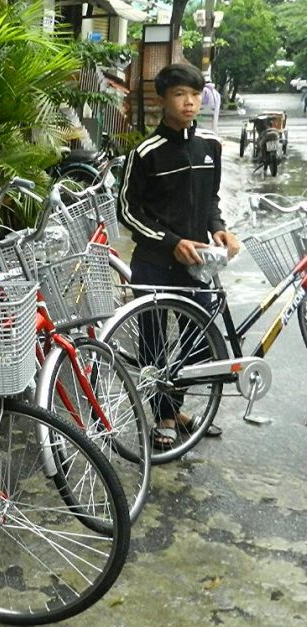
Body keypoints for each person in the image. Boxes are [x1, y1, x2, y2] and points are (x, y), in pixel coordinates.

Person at [117, 62, 240, 449]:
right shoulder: (145, 152)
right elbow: (127, 210)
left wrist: (218, 227)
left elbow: (210, 200)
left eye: (195, 94)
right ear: (162, 100)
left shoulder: (210, 146)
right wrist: (171, 241)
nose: (189, 102)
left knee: (197, 343)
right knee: (154, 346)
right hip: (153, 263)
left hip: (197, 265)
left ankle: (174, 408)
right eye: (180, 95)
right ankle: (165, 418)